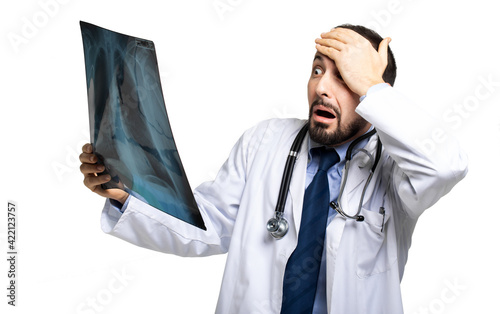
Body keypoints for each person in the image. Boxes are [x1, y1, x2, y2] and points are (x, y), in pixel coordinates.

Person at [79, 24, 468, 313]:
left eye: (345, 77)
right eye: (318, 71)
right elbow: (208, 225)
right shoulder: (266, 141)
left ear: (372, 93)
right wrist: (130, 197)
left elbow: (445, 167)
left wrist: (372, 85)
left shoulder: (398, 164)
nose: (322, 88)